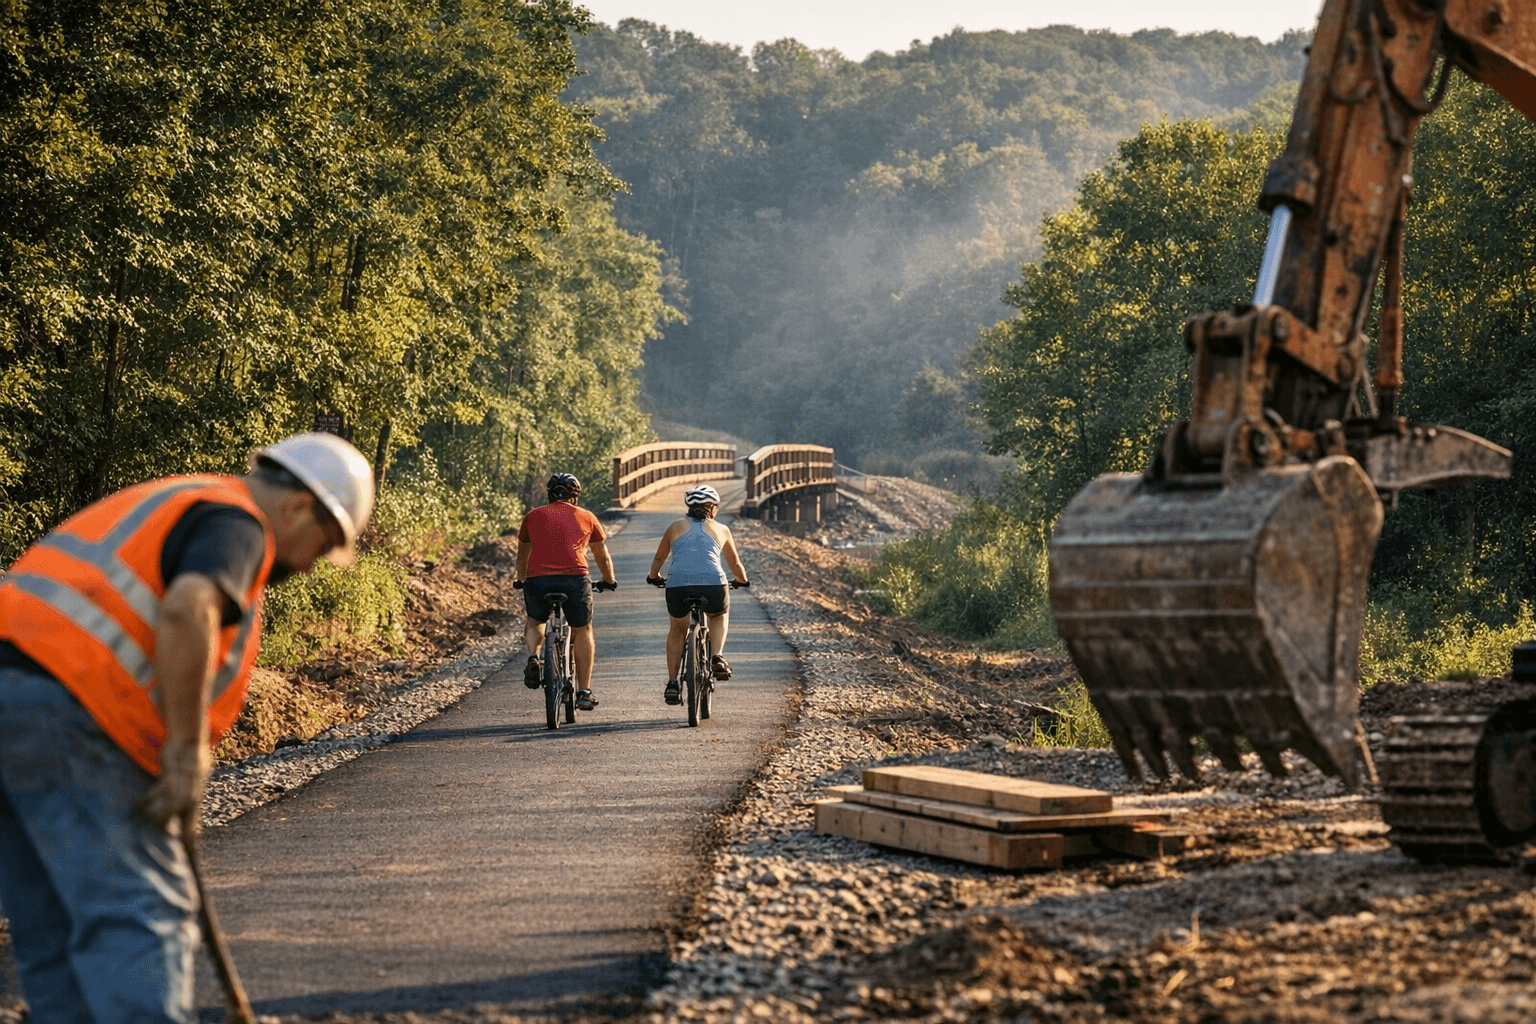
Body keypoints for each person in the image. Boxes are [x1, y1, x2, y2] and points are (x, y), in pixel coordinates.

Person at [0, 431, 375, 1024]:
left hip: (14, 708)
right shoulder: (239, 521)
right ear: (299, 506)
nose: (306, 564)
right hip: (73, 710)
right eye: (320, 545)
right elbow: (189, 607)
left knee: (51, 926)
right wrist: (184, 750)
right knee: (140, 911)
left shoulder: (176, 498)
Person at [513, 473, 617, 711]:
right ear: (575, 497)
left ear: (549, 495)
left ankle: (534, 657)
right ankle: (584, 691)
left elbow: (522, 556)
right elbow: (601, 555)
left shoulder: (532, 516)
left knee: (536, 619)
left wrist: (521, 580)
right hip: (574, 579)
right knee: (583, 629)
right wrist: (609, 580)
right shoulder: (587, 517)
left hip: (538, 580)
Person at [645, 484, 749, 705]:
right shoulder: (722, 529)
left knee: (677, 629)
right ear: (712, 509)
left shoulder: (675, 527)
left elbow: (658, 558)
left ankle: (673, 683)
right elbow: (735, 564)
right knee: (719, 614)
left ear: (689, 508)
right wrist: (742, 581)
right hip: (713, 585)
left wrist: (654, 576)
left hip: (678, 586)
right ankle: (717, 656)